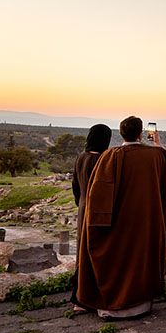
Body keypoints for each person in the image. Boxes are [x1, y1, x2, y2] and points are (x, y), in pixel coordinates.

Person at [76, 116, 166, 319]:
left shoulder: (109, 157)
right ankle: (138, 303)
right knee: (139, 260)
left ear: (121, 133)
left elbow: (97, 195)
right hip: (146, 224)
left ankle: (112, 303)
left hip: (118, 224)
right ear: (140, 133)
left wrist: (97, 225)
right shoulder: (157, 156)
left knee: (117, 259)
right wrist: (159, 145)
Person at [69, 124, 112, 312]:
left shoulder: (81, 157)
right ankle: (92, 298)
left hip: (83, 209)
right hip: (99, 214)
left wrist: (81, 204)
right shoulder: (103, 161)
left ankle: (79, 295)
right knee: (97, 253)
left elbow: (75, 186)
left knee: (82, 252)